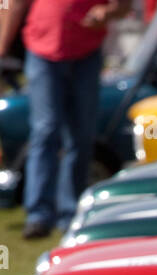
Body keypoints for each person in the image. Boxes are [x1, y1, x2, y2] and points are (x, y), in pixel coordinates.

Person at [0, 0, 131, 238]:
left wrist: (106, 12)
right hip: (43, 49)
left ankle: (69, 214)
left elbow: (123, 5)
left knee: (80, 135)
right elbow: (13, 3)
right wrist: (2, 45)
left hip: (86, 52)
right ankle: (38, 215)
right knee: (46, 130)